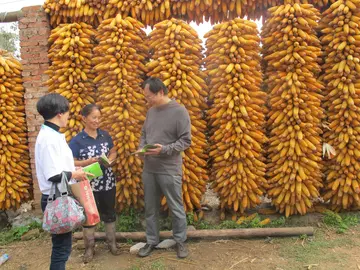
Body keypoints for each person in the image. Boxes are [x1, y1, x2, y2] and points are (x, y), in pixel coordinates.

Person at [35, 93, 91, 270]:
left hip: (57, 196)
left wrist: (76, 171)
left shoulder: (51, 135)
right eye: (67, 112)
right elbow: (53, 175)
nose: (68, 115)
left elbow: (59, 166)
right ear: (59, 113)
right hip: (55, 199)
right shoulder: (49, 139)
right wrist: (75, 174)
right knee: (61, 248)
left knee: (62, 246)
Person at [137, 77, 191, 259]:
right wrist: (142, 147)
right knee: (150, 208)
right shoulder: (151, 111)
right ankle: (151, 240)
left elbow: (185, 140)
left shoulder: (179, 111)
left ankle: (180, 241)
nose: (147, 100)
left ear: (160, 92)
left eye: (149, 96)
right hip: (149, 168)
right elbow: (145, 133)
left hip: (169, 168)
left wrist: (164, 149)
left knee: (175, 206)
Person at [69, 104, 120, 263]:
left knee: (109, 214)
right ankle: (89, 249)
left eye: (99, 117)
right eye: (94, 118)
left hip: (107, 183)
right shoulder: (77, 141)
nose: (97, 121)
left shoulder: (105, 135)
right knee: (89, 217)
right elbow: (71, 161)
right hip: (87, 186)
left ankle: (112, 244)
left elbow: (113, 150)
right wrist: (87, 162)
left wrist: (111, 160)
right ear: (84, 118)